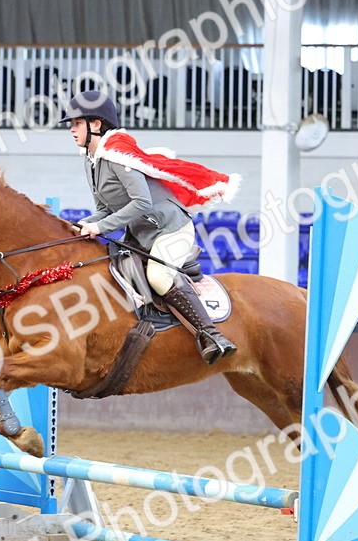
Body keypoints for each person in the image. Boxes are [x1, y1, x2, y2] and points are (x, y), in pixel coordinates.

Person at [60, 89, 239, 364]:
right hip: (141, 236)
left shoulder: (117, 156)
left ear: (95, 125)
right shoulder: (91, 161)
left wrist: (101, 228)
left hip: (171, 230)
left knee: (158, 277)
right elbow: (106, 209)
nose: (71, 130)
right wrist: (83, 224)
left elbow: (142, 203)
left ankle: (211, 334)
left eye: (76, 124)